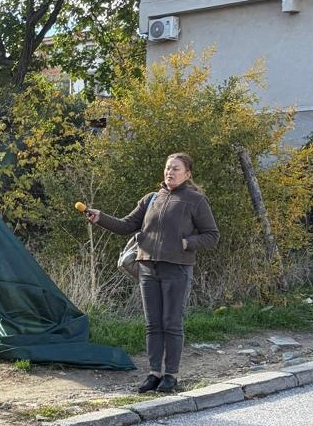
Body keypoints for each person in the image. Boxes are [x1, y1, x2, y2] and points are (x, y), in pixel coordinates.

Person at [84, 152, 219, 394]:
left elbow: (212, 235)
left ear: (187, 174)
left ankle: (171, 376)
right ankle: (154, 374)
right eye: (168, 168)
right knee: (152, 324)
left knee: (172, 324)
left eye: (176, 169)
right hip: (147, 267)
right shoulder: (151, 199)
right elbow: (126, 225)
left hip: (177, 268)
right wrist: (100, 218)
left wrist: (187, 243)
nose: (170, 172)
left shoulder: (195, 200)